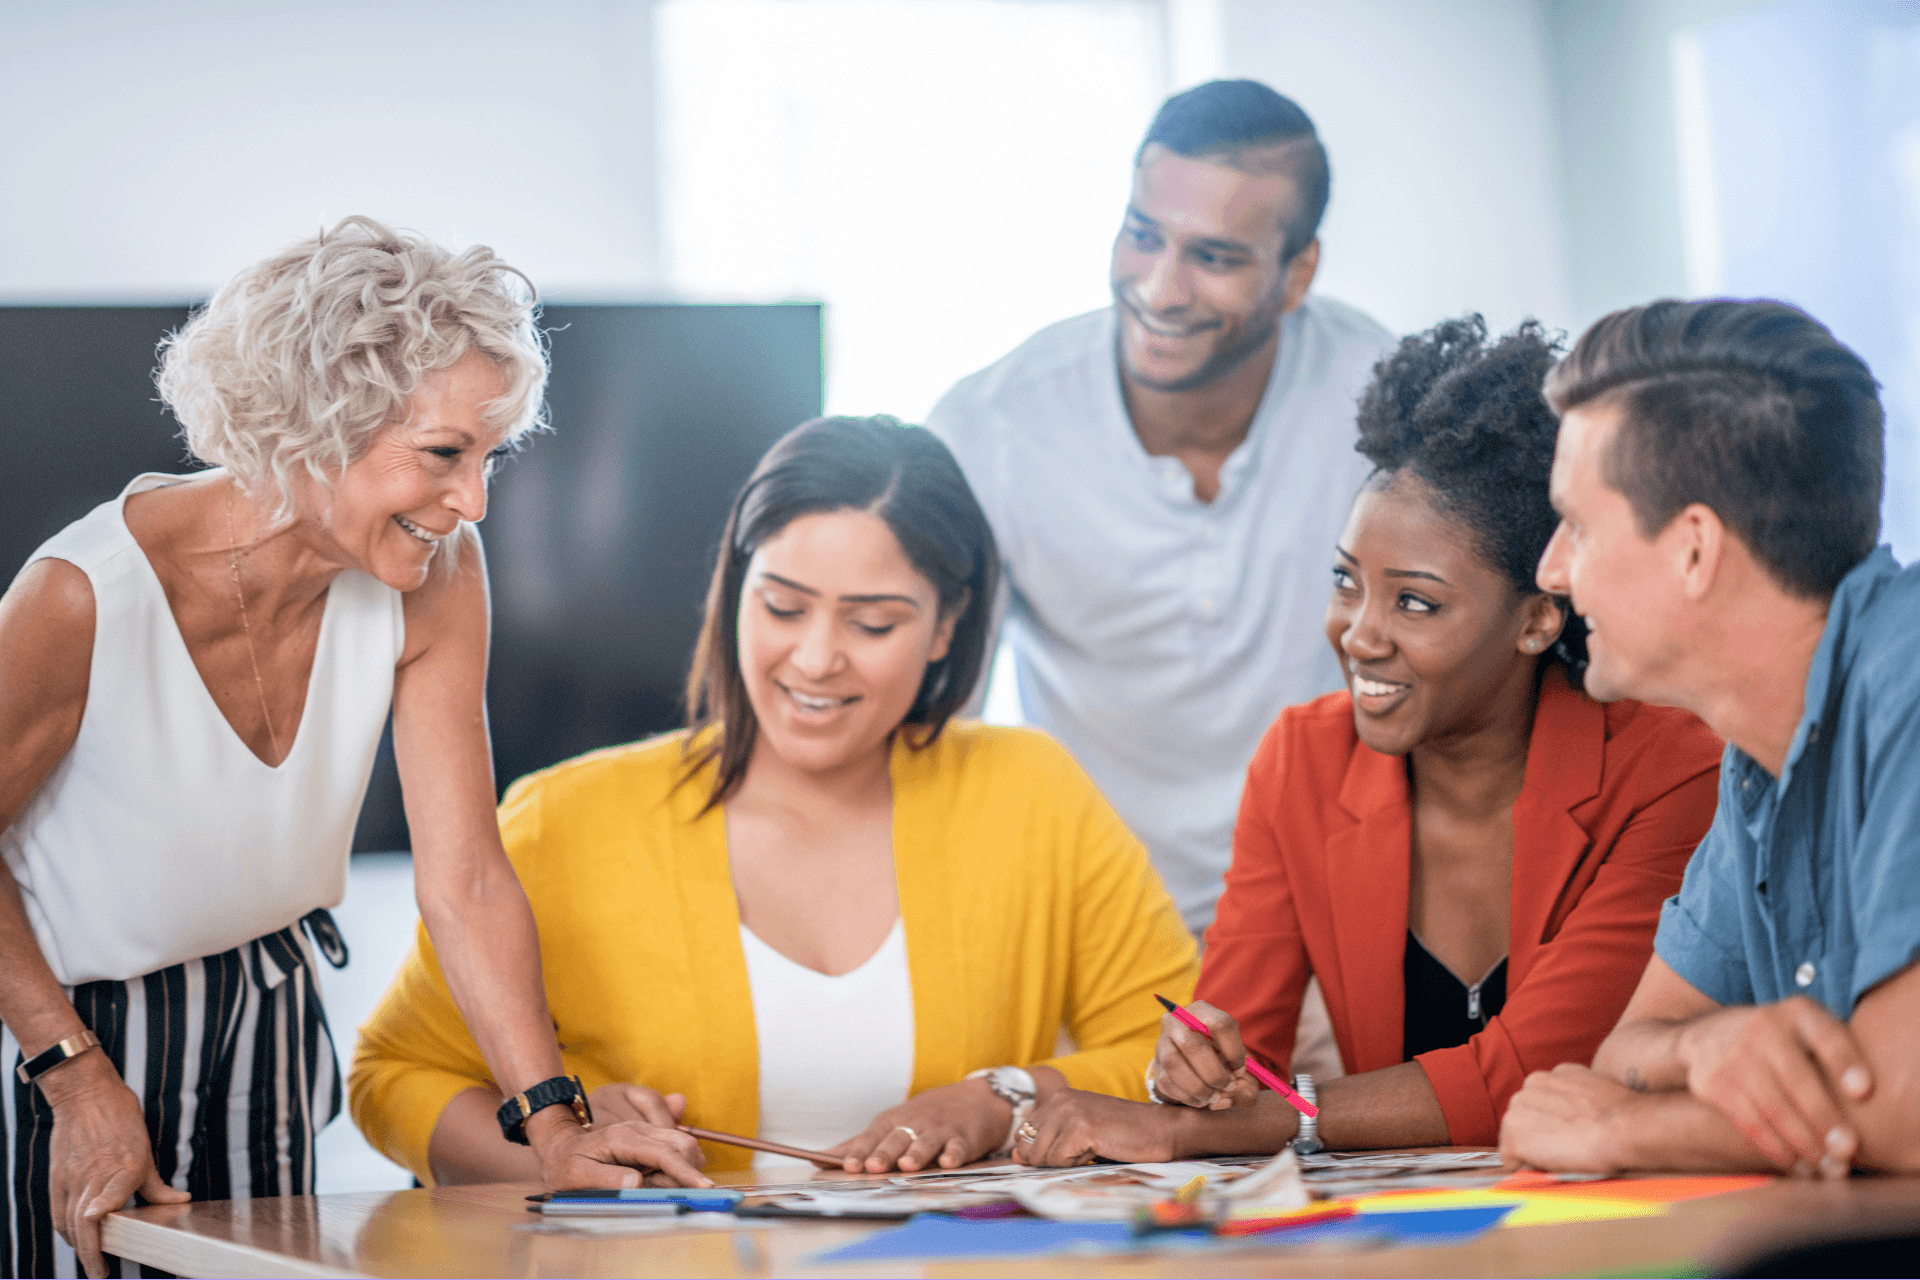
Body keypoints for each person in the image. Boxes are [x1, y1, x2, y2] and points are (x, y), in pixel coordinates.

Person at [0, 218, 701, 1279]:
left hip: (276, 1004)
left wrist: (553, 1122)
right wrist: (72, 1072)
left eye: (489, 458)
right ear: (311, 425)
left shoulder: (439, 574)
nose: (471, 501)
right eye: (442, 455)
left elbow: (464, 875)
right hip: (82, 1025)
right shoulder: (81, 595)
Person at [348, 415, 1200, 1184]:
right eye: (784, 607)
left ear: (947, 627)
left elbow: (1181, 1057)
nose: (817, 658)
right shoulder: (564, 821)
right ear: (734, 590)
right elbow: (394, 1078)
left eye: (872, 625)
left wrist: (1005, 1096)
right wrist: (562, 1142)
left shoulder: (1031, 792)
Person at [1006, 317, 1723, 1167]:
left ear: (1537, 617)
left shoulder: (1670, 765)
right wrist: (1200, 1073)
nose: (1359, 635)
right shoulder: (1304, 760)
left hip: (1617, 1211)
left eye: (1415, 603)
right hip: (1404, 1226)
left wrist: (1216, 1125)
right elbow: (1242, 1048)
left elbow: (1530, 1073)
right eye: (1347, 582)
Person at [926, 79, 1395, 949]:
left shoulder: (1386, 399)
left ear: (1297, 275)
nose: (1160, 289)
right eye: (1143, 236)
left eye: (1213, 258)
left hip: (1345, 915)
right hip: (1097, 927)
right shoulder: (991, 428)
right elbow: (940, 725)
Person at [1500, 299, 1920, 1178]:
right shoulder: (1757, 755)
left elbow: (1905, 1112)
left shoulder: (1907, 678)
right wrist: (1706, 1047)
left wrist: (1617, 1133)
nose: (1550, 572)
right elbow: (1631, 1048)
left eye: (1577, 526)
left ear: (1694, 549)